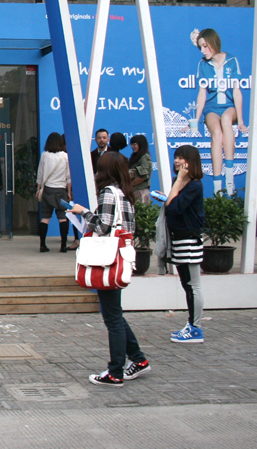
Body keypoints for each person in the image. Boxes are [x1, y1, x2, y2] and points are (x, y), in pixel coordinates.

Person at [69, 154, 151, 387]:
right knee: (115, 314)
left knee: (112, 318)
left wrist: (83, 212)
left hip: (107, 261)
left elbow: (103, 226)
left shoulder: (108, 193)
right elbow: (127, 228)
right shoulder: (126, 194)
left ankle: (115, 372)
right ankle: (138, 360)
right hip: (119, 259)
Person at [192, 28, 248, 195]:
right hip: (212, 108)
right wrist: (195, 119)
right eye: (200, 47)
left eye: (205, 46)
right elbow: (202, 94)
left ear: (213, 43)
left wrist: (241, 120)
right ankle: (218, 186)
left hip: (229, 106)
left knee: (226, 121)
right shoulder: (203, 64)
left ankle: (229, 177)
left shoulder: (231, 60)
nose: (203, 51)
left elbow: (237, 92)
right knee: (216, 133)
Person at [164, 144, 206, 343]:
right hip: (179, 239)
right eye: (176, 157)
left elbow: (173, 208)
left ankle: (196, 328)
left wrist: (179, 180)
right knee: (186, 284)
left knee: (192, 285)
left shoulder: (194, 185)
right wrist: (177, 182)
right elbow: (170, 205)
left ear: (191, 161)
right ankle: (191, 324)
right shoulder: (178, 182)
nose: (177, 161)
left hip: (189, 241)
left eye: (181, 158)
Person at [36, 132, 73, 253]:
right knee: (62, 217)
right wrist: (69, 192)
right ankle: (63, 245)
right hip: (61, 191)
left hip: (47, 190)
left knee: (45, 218)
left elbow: (40, 174)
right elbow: (68, 177)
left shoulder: (44, 155)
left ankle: (42, 245)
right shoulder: (65, 156)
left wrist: (38, 189)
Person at [128, 135, 153, 204]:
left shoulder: (145, 158)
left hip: (141, 192)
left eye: (134, 144)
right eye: (131, 144)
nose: (132, 146)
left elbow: (143, 177)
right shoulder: (135, 157)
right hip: (134, 191)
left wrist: (129, 185)